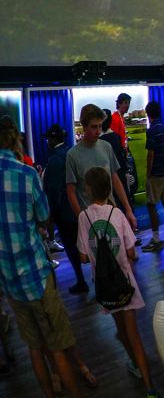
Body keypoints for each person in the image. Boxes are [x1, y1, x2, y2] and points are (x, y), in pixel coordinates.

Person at [0, 117, 83, 398]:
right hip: (35, 273)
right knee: (57, 345)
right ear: (15, 139)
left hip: (9, 281)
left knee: (34, 347)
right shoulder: (25, 174)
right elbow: (44, 216)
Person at [76, 167, 157, 396]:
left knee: (121, 331)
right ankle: (150, 388)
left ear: (88, 189)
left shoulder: (83, 217)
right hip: (125, 283)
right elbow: (131, 251)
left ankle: (134, 365)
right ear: (109, 188)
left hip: (104, 285)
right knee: (133, 334)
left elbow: (83, 257)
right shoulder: (117, 213)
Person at [66, 104, 137, 231]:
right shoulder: (72, 155)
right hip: (90, 219)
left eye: (100, 126)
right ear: (84, 126)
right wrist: (82, 219)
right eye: (94, 127)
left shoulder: (106, 147)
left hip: (111, 214)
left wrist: (128, 209)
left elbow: (115, 180)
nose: (98, 131)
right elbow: (71, 192)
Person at [41, 124, 89, 293]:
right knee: (85, 244)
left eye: (48, 139)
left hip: (65, 212)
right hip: (78, 207)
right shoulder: (71, 152)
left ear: (53, 139)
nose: (47, 142)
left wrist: (51, 213)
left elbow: (53, 190)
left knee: (71, 246)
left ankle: (81, 281)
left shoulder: (55, 159)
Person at [142, 101, 164, 251]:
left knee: (151, 205)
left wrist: (148, 174)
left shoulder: (152, 130)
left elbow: (150, 155)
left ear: (148, 114)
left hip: (156, 174)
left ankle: (156, 239)